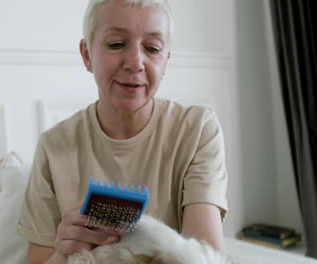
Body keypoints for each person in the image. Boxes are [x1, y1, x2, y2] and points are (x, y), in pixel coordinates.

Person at [17, 0, 228, 263]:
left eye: (152, 48)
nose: (135, 62)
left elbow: (204, 258)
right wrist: (63, 252)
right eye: (116, 44)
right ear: (87, 55)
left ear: (165, 62)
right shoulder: (53, 146)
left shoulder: (197, 130)